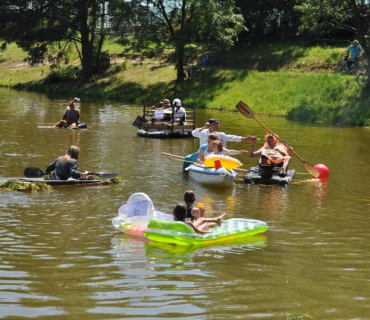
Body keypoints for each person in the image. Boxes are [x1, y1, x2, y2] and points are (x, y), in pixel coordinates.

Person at [192, 118, 256, 147]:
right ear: (212, 124)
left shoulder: (220, 134)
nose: (219, 125)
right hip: (202, 154)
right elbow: (193, 133)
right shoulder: (203, 132)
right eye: (217, 124)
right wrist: (204, 127)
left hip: (216, 155)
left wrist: (246, 138)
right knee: (188, 158)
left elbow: (232, 137)